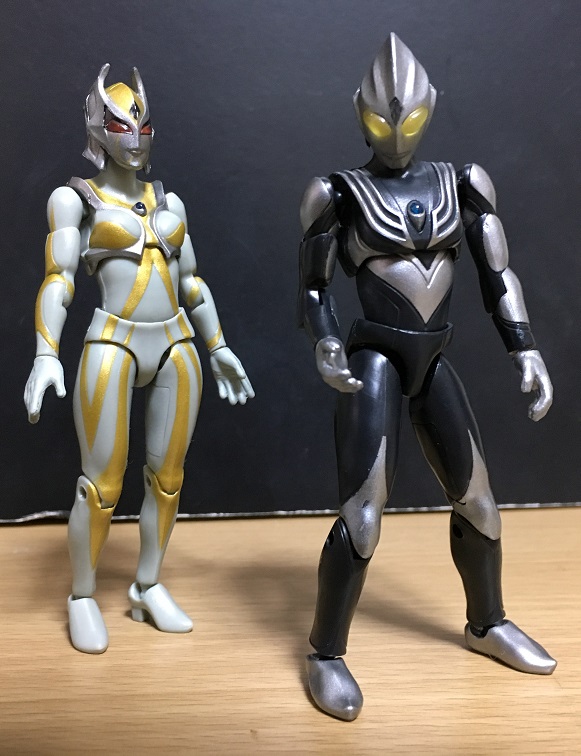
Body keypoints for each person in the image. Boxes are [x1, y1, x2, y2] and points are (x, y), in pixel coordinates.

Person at [297, 34, 555, 721]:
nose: (395, 132)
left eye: (408, 117)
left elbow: (498, 273)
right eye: (381, 119)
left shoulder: (462, 183)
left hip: (433, 359)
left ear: (430, 107)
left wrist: (524, 349)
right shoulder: (336, 194)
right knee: (363, 514)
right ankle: (325, 652)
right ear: (359, 113)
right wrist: (326, 342)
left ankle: (486, 623)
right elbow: (313, 290)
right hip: (374, 361)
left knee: (479, 501)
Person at [24, 65, 254, 654]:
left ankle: (147, 585)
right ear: (97, 130)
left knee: (168, 480)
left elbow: (192, 282)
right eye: (122, 126)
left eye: (143, 125)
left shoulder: (168, 201)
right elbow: (59, 278)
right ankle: (82, 595)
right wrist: (46, 353)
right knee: (101, 484)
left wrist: (218, 345)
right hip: (113, 343)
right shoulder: (74, 199)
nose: (135, 137)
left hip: (177, 342)